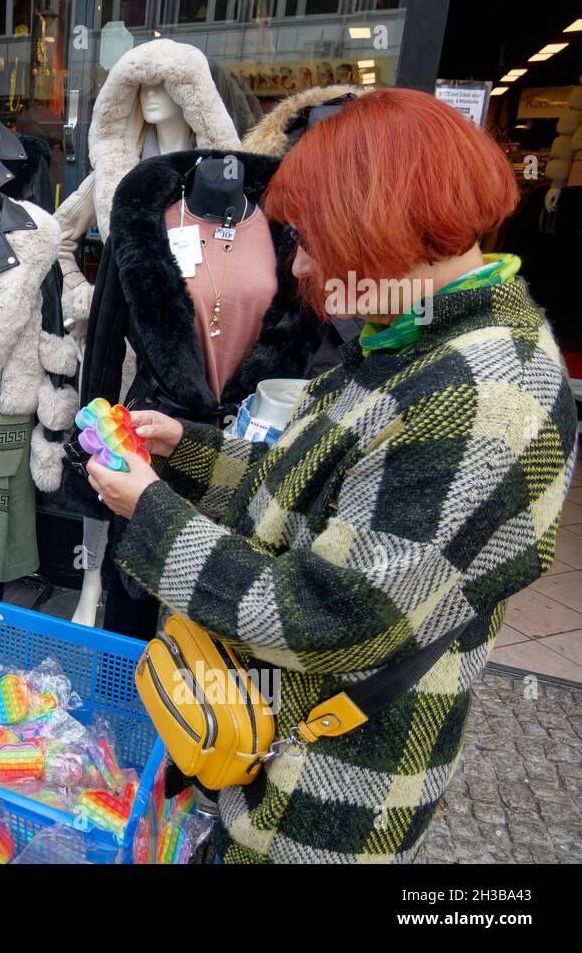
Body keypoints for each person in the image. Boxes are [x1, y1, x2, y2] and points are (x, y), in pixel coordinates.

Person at [86, 88, 578, 863]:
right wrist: (187, 449)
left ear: (376, 225)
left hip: (330, 787)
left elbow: (323, 613)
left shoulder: (484, 400)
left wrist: (148, 510)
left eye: (310, 241)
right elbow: (322, 489)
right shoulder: (414, 337)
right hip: (274, 740)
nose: (303, 265)